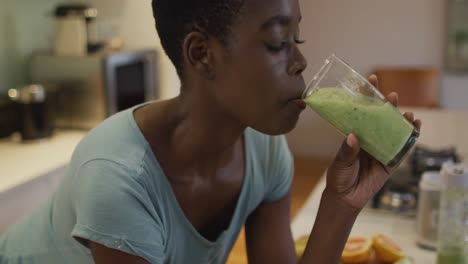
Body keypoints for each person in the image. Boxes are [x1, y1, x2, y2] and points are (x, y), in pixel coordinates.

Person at [0, 0, 421, 263]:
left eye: (298, 38)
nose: (301, 63)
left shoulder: (265, 152)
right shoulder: (119, 179)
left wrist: (342, 203)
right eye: (278, 43)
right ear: (202, 55)